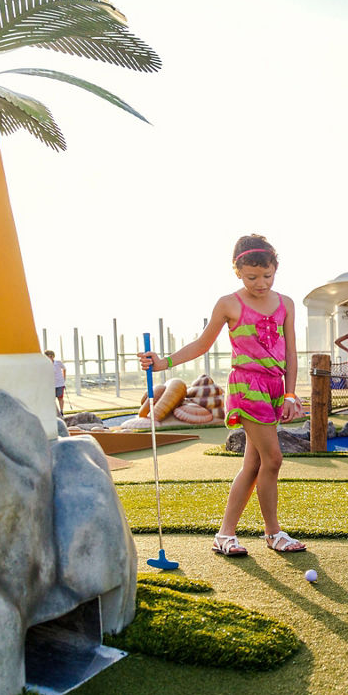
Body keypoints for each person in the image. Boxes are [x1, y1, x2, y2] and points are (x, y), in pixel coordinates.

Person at [138, 234, 306, 557]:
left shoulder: (286, 304)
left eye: (267, 276)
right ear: (237, 271)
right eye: (251, 277)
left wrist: (289, 393)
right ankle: (273, 533)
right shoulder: (229, 304)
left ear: (276, 268)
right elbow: (202, 344)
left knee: (255, 464)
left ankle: (224, 534)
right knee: (273, 458)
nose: (260, 283)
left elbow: (292, 354)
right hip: (247, 386)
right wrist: (163, 363)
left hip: (274, 388)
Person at [45, 350, 66, 416]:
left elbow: (64, 369)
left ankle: (61, 411)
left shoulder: (58, 363)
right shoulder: (45, 365)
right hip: (50, 385)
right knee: (51, 399)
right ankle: (54, 412)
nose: (49, 358)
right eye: (47, 356)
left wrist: (64, 377)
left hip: (60, 384)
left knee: (60, 398)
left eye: (51, 356)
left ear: (53, 356)